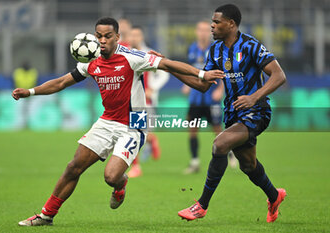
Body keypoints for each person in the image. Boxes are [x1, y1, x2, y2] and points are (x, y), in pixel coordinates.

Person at [13, 17, 223, 226]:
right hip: (107, 121)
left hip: (134, 123)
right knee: (73, 167)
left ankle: (120, 184)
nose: (102, 40)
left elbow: (167, 63)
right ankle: (46, 215)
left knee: (111, 177)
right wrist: (30, 91)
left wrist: (202, 74)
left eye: (107, 36)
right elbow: (61, 82)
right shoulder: (91, 61)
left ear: (117, 37)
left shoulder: (131, 57)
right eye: (99, 36)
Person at [164, 4, 287, 222]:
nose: (212, 26)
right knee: (248, 165)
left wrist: (253, 97)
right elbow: (203, 85)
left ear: (231, 24)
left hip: (256, 111)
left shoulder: (250, 45)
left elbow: (278, 75)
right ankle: (274, 196)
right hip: (232, 114)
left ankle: (201, 206)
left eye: (216, 22)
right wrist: (169, 67)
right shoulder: (216, 50)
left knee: (219, 144)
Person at [182, 20, 237, 174]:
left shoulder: (217, 49)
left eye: (206, 30)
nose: (203, 33)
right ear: (196, 32)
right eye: (200, 30)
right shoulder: (191, 49)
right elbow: (190, 69)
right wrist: (187, 85)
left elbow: (224, 71)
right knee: (192, 129)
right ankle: (194, 162)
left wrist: (220, 89)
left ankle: (231, 153)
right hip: (195, 98)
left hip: (211, 98)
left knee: (217, 129)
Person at [127, 26, 169, 178]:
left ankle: (136, 167)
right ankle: (152, 141)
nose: (134, 37)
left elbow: (164, 74)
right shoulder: (125, 53)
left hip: (144, 100)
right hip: (127, 100)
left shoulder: (148, 53)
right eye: (132, 35)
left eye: (137, 34)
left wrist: (153, 87)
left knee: (134, 132)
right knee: (135, 132)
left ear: (142, 36)